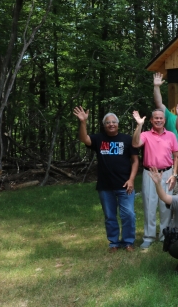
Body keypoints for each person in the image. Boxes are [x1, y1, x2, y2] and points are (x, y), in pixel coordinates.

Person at [73, 107, 139, 252]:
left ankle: (128, 242)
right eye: (108, 122)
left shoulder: (127, 139)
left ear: (118, 124)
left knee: (129, 214)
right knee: (110, 216)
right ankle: (114, 243)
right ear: (104, 125)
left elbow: (135, 161)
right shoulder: (98, 139)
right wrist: (83, 122)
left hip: (125, 184)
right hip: (105, 186)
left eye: (114, 122)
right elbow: (84, 139)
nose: (111, 124)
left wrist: (132, 179)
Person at [132, 109, 178, 250]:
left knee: (166, 205)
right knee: (149, 205)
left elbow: (176, 156)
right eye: (156, 118)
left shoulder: (171, 135)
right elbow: (135, 144)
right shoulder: (145, 134)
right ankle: (149, 236)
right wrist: (139, 125)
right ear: (151, 120)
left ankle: (165, 235)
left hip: (167, 173)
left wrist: (175, 174)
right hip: (150, 173)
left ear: (164, 120)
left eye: (161, 118)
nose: (158, 120)